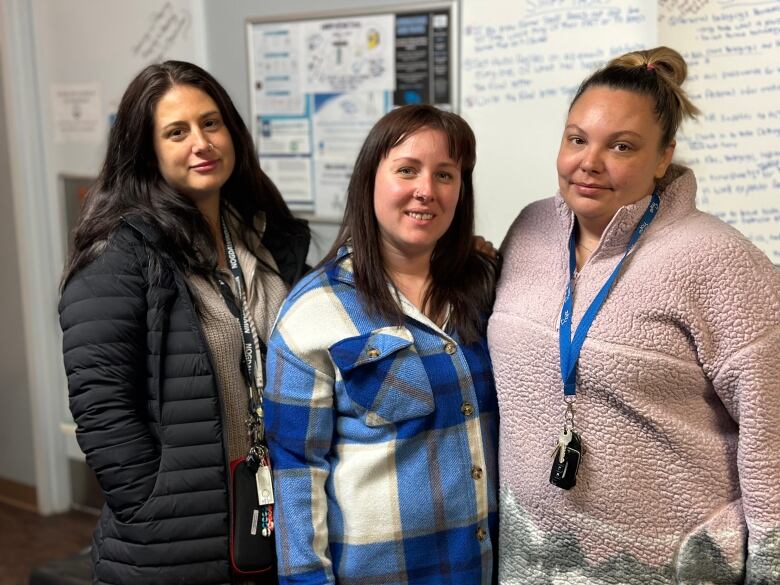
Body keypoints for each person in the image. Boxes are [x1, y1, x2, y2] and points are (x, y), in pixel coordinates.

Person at [489, 45, 780, 583]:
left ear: (664, 156)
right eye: (577, 139)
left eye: (621, 146)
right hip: (530, 560)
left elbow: (773, 430)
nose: (589, 163)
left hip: (671, 566)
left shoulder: (719, 259)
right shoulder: (529, 231)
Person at [59, 61, 309, 584]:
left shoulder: (261, 238)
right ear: (147, 150)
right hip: (174, 544)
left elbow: (331, 308)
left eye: (210, 123)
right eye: (177, 132)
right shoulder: (119, 256)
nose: (202, 142)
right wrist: (153, 506)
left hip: (271, 522)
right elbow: (102, 410)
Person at [263, 104, 499, 584]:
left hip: (482, 567)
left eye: (445, 175)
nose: (426, 191)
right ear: (370, 179)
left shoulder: (486, 288)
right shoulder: (314, 310)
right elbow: (295, 469)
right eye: (407, 170)